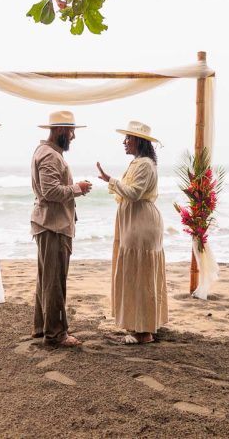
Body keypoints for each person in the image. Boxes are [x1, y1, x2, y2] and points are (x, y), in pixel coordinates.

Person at [96, 121, 168, 345]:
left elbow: (135, 193)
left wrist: (111, 180)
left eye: (128, 138)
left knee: (141, 274)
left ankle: (144, 331)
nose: (124, 142)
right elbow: (126, 194)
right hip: (133, 222)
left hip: (141, 223)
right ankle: (138, 326)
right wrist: (113, 183)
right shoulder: (138, 163)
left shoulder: (145, 164)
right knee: (134, 274)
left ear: (139, 141)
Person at [31, 110, 92, 347]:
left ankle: (41, 327)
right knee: (54, 280)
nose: (74, 136)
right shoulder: (50, 156)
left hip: (48, 223)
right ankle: (55, 334)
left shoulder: (45, 151)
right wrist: (78, 188)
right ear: (59, 131)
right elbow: (51, 191)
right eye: (71, 131)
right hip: (53, 226)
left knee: (45, 279)